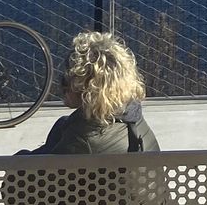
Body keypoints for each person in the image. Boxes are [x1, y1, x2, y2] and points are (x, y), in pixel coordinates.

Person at [24, 31, 161, 155]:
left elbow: (37, 177)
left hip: (96, 181)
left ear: (86, 89)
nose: (63, 83)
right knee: (62, 124)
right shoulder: (132, 115)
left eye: (69, 77)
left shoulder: (82, 138)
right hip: (136, 182)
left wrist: (21, 157)